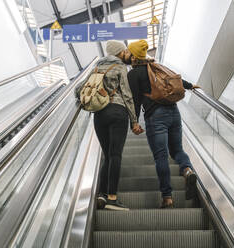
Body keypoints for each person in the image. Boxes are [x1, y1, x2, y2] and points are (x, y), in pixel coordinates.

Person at [127, 40, 198, 208]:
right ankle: (187, 170)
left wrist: (135, 121)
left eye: (130, 53)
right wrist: (190, 86)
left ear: (134, 55)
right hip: (174, 112)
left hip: (155, 117)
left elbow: (135, 101)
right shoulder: (156, 66)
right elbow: (175, 80)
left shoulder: (133, 74)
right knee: (178, 150)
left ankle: (168, 198)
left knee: (161, 156)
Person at [76, 40, 143, 210]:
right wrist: (134, 121)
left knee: (107, 155)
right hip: (117, 112)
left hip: (99, 115)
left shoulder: (97, 67)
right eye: (125, 51)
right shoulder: (120, 66)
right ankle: (112, 198)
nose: (127, 54)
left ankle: (102, 195)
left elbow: (78, 89)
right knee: (115, 155)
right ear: (120, 52)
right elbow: (127, 95)